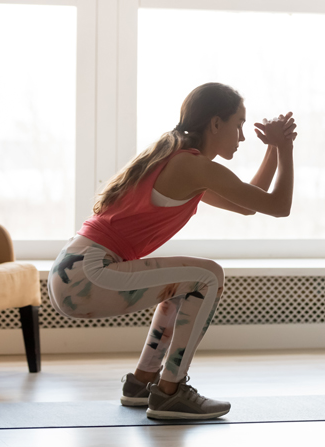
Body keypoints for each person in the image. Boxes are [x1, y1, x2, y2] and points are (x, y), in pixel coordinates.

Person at [48, 82, 296, 420]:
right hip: (86, 273)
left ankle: (142, 383)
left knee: (185, 283)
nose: (241, 136)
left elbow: (250, 204)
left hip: (76, 269)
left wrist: (274, 148)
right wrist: (285, 149)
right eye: (238, 124)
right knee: (208, 276)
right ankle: (171, 392)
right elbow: (279, 206)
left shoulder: (178, 159)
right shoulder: (191, 166)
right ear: (215, 123)